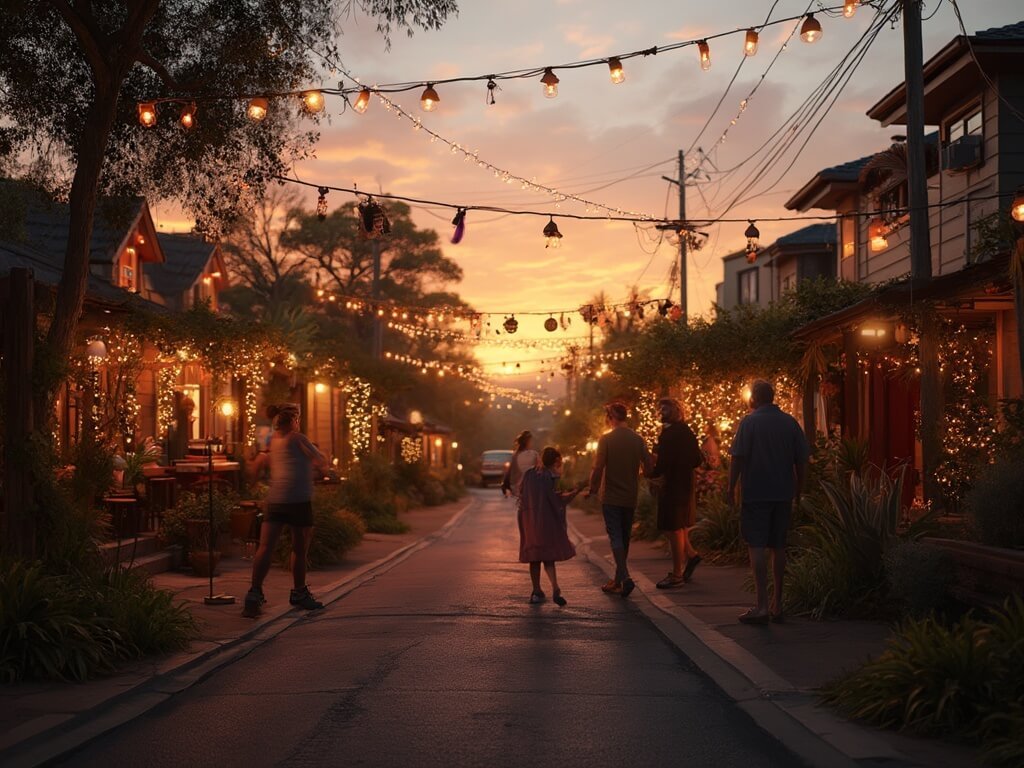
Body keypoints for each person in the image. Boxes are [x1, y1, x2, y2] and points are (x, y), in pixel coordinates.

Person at [728, 380, 809, 625]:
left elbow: (738, 459)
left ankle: (761, 604)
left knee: (757, 545)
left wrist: (731, 488)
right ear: (772, 397)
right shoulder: (790, 423)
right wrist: (799, 489)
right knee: (779, 546)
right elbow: (802, 460)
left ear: (754, 398)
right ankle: (778, 603)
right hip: (782, 491)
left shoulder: (749, 422)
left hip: (756, 492)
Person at [242, 403, 329, 618]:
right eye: (297, 419)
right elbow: (321, 460)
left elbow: (261, 462)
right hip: (298, 500)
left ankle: (254, 593)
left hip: (276, 500)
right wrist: (317, 467)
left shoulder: (274, 441)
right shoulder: (297, 438)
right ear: (293, 421)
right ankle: (299, 592)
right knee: (299, 550)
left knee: (265, 548)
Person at [585, 402, 652, 598]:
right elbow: (648, 466)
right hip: (630, 495)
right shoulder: (638, 439)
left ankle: (625, 577)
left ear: (610, 417)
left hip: (611, 496)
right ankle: (618, 580)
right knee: (624, 537)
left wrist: (593, 488)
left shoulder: (606, 439)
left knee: (615, 536)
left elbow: (598, 468)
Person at [650, 398, 704, 589]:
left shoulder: (668, 435)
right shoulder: (688, 432)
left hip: (671, 484)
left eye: (665, 408)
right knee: (677, 525)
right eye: (661, 408)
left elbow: (662, 463)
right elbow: (697, 459)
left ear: (675, 410)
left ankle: (677, 574)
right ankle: (691, 554)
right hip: (686, 483)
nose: (662, 411)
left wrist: (651, 473)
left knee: (672, 527)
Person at [518, 447, 581, 606]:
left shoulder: (529, 475)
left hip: (529, 520)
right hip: (546, 521)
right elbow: (556, 500)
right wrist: (574, 492)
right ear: (555, 461)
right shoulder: (550, 477)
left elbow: (521, 493)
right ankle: (555, 587)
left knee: (534, 557)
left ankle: (537, 590)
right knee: (548, 558)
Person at [501, 430, 540, 499]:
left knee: (523, 507)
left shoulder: (515, 455)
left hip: (517, 488)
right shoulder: (534, 454)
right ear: (528, 441)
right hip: (531, 487)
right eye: (531, 441)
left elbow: (510, 471)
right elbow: (540, 470)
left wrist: (505, 484)